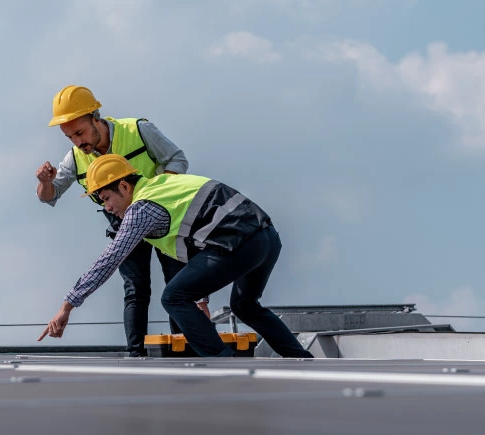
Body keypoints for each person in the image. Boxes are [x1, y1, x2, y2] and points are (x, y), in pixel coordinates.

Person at [38, 154, 313, 358]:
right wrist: (202, 299)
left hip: (237, 242)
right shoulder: (164, 185)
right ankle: (301, 359)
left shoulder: (142, 209)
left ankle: (225, 364)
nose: (108, 208)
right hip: (266, 237)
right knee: (245, 306)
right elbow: (195, 248)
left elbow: (111, 259)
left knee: (172, 296)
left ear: (124, 187)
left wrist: (67, 306)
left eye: (106, 198)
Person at [36, 85, 208, 357]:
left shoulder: (139, 130)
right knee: (135, 288)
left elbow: (177, 159)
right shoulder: (75, 157)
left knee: (178, 284)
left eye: (79, 133)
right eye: (69, 137)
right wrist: (44, 183)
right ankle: (136, 354)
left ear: (96, 118)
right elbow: (50, 196)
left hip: (162, 218)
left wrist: (159, 196)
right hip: (122, 221)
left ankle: (187, 348)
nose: (77, 142)